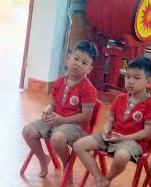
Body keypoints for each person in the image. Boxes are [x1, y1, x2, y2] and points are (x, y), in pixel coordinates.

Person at [73, 56, 151, 187]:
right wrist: (106, 129)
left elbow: (147, 132)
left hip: (134, 142)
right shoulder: (120, 98)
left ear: (149, 81)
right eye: (128, 76)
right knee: (79, 145)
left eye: (136, 78)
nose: (130, 81)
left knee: (121, 157)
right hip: (113, 136)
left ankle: (108, 178)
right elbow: (110, 120)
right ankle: (100, 179)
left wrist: (125, 138)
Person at [22, 40, 99, 177]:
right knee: (28, 131)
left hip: (77, 127)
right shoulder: (58, 82)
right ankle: (43, 159)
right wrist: (48, 110)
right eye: (76, 59)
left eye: (84, 63)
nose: (78, 64)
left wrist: (62, 120)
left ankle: (67, 165)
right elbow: (53, 104)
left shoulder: (88, 88)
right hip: (57, 121)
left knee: (56, 138)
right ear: (68, 59)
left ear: (89, 69)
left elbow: (86, 116)